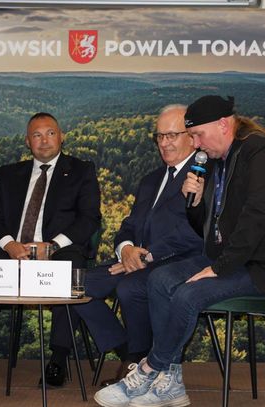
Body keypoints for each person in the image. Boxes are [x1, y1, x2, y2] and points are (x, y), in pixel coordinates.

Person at [94, 95, 265, 407]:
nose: (196, 144)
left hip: (256, 265)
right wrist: (197, 203)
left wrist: (219, 267)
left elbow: (257, 216)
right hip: (223, 256)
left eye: (198, 135)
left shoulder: (257, 151)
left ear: (223, 125)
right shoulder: (215, 159)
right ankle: (171, 384)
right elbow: (207, 226)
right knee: (159, 280)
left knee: (187, 295)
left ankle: (150, 369)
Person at [47, 105, 203, 387]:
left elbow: (196, 232)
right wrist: (126, 249)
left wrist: (146, 257)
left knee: (130, 287)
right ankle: (131, 355)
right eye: (159, 136)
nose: (164, 143)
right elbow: (129, 225)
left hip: (179, 263)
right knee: (73, 285)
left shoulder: (203, 177)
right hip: (135, 260)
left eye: (172, 135)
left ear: (192, 138)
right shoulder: (151, 180)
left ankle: (142, 367)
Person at [0, 112, 101, 384]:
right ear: (28, 142)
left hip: (57, 251)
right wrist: (10, 245)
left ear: (61, 137)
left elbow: (89, 219)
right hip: (12, 251)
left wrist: (51, 246)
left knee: (73, 270)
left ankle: (58, 360)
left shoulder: (81, 171)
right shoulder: (10, 174)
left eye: (50, 133)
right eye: (37, 135)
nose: (45, 141)